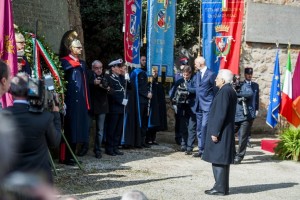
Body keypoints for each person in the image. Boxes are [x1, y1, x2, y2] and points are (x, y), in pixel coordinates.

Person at [5, 73, 61, 184]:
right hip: (39, 180)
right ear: (32, 90)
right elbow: (55, 142)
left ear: (11, 91)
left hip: (11, 180)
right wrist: (56, 115)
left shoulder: (3, 115)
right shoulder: (45, 117)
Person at [202, 69, 237, 196]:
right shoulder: (229, 90)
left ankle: (220, 188)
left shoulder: (224, 91)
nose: (215, 79)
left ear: (222, 80)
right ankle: (222, 187)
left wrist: (215, 132)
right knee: (220, 160)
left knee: (218, 160)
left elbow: (220, 114)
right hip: (225, 131)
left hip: (221, 132)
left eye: (217, 78)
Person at [59, 30, 90, 165]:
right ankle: (65, 157)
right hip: (71, 100)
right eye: (78, 47)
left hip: (81, 101)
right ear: (71, 48)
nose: (80, 49)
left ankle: (73, 155)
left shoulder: (82, 63)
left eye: (81, 47)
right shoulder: (65, 62)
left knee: (77, 129)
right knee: (69, 129)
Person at [190, 56, 216, 158]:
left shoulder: (211, 74)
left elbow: (215, 90)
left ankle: (207, 149)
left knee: (205, 126)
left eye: (196, 63)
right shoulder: (197, 74)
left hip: (207, 105)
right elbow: (197, 88)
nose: (195, 65)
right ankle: (201, 150)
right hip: (198, 105)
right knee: (199, 128)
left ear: (201, 63)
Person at [170, 65, 196, 154]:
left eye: (187, 75)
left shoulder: (194, 81)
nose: (185, 77)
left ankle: (190, 147)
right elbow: (171, 92)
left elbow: (197, 90)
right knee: (183, 126)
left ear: (190, 74)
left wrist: (188, 89)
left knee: (191, 127)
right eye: (184, 75)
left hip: (191, 107)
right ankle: (183, 144)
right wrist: (174, 100)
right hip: (181, 107)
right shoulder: (179, 81)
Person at [88, 60, 109, 159]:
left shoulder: (106, 76)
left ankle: (97, 150)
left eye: (101, 68)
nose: (99, 70)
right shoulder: (89, 75)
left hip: (102, 107)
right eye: (97, 68)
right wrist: (93, 83)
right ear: (93, 68)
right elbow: (86, 86)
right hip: (90, 106)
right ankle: (84, 147)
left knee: (100, 130)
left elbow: (111, 90)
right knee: (87, 127)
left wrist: (105, 86)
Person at [129, 56, 152, 148]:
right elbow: (137, 87)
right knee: (140, 120)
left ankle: (143, 140)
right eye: (142, 60)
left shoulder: (145, 72)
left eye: (145, 60)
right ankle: (138, 141)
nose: (144, 62)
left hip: (145, 101)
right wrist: (146, 94)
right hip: (139, 100)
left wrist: (149, 93)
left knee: (144, 120)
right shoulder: (136, 73)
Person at [233, 70, 256, 164]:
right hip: (234, 117)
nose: (237, 80)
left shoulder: (245, 86)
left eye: (239, 78)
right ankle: (232, 154)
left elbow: (250, 93)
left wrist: (237, 94)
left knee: (243, 137)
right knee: (229, 134)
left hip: (245, 117)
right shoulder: (230, 87)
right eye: (235, 78)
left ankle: (239, 156)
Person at [105, 59, 126, 156]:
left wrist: (127, 77)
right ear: (113, 68)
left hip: (121, 107)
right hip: (114, 107)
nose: (120, 69)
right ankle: (109, 148)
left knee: (118, 129)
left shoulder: (121, 78)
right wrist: (121, 101)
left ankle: (115, 147)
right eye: (118, 67)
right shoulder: (109, 78)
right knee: (112, 129)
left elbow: (129, 88)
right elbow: (111, 93)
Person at [146, 67, 168, 145]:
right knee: (150, 122)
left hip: (158, 105)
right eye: (153, 71)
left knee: (156, 122)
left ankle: (153, 138)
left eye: (156, 71)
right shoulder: (148, 81)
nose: (155, 73)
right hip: (151, 105)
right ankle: (148, 138)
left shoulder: (158, 82)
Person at [244, 67, 259, 148]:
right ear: (245, 75)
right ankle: (243, 141)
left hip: (252, 109)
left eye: (251, 74)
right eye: (248, 74)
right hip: (244, 109)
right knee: (244, 125)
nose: (249, 76)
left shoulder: (255, 85)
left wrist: (257, 109)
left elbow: (257, 98)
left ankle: (248, 140)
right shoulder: (242, 84)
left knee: (249, 125)